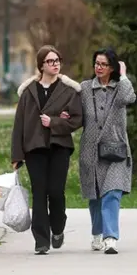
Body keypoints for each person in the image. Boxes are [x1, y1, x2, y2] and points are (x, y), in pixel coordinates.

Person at [10, 45, 83, 255]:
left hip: (59, 147)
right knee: (39, 193)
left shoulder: (69, 91)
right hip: (34, 148)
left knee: (56, 192)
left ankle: (58, 228)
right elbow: (19, 124)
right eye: (50, 61)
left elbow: (77, 119)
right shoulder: (28, 92)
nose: (55, 64)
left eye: (57, 60)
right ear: (41, 65)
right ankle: (41, 240)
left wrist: (55, 122)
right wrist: (17, 155)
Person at [77, 47, 136, 254]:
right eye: (97, 63)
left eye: (104, 64)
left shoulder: (120, 87)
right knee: (95, 196)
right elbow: (75, 114)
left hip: (116, 150)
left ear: (112, 68)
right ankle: (97, 233)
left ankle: (110, 238)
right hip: (91, 150)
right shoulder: (85, 88)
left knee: (112, 192)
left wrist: (124, 75)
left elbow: (130, 98)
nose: (99, 67)